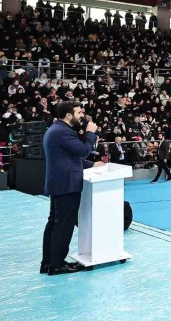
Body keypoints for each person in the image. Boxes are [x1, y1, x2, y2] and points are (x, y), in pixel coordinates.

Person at [42, 101, 104, 275]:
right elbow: (83, 150)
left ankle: (48, 262)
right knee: (64, 225)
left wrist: (92, 164)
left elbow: (67, 157)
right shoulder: (64, 132)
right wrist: (90, 134)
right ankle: (57, 264)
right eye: (79, 113)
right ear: (69, 115)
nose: (82, 116)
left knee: (55, 223)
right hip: (66, 185)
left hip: (59, 182)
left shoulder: (56, 129)